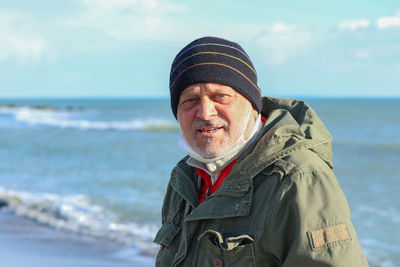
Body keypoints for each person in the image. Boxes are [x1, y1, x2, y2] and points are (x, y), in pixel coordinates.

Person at [154, 36, 369, 267]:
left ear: (252, 104)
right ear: (177, 112)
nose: (205, 112)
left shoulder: (297, 177)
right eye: (191, 100)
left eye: (220, 97)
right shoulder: (185, 177)